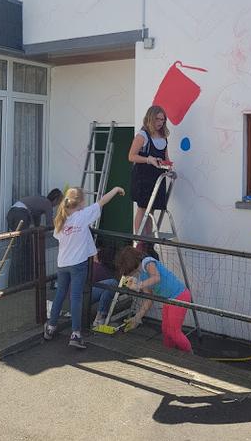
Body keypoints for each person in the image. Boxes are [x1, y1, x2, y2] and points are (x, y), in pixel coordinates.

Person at [43, 185, 125, 349]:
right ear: (80, 203)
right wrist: (115, 189)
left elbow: (60, 237)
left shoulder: (61, 220)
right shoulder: (83, 216)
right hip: (78, 264)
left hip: (62, 263)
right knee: (76, 297)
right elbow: (102, 202)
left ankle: (51, 327)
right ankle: (76, 333)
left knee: (60, 295)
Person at [116, 245, 192, 353]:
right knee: (166, 330)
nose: (130, 275)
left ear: (131, 265)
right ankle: (169, 354)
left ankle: (191, 356)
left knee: (174, 332)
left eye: (129, 272)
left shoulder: (148, 262)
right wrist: (137, 317)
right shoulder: (141, 275)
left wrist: (139, 285)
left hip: (179, 295)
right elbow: (149, 298)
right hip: (168, 299)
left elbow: (156, 277)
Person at [128, 105, 172, 257]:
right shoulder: (143, 135)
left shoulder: (164, 137)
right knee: (142, 208)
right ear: (151, 118)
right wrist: (148, 159)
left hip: (157, 176)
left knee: (151, 209)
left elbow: (166, 158)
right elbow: (131, 156)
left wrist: (169, 167)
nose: (160, 122)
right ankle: (141, 240)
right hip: (143, 175)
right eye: (158, 119)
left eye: (163, 119)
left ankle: (148, 241)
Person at [7, 189, 63, 287]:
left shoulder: (39, 203)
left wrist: (40, 233)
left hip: (12, 214)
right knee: (21, 249)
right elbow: (49, 224)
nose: (57, 205)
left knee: (22, 247)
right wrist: (61, 231)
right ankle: (17, 284)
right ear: (56, 199)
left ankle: (22, 281)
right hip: (20, 214)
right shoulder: (47, 203)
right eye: (59, 202)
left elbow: (36, 225)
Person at [91, 247, 119, 328]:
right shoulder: (98, 268)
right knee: (112, 284)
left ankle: (100, 317)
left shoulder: (89, 265)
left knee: (107, 290)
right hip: (83, 294)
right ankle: (100, 315)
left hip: (74, 296)